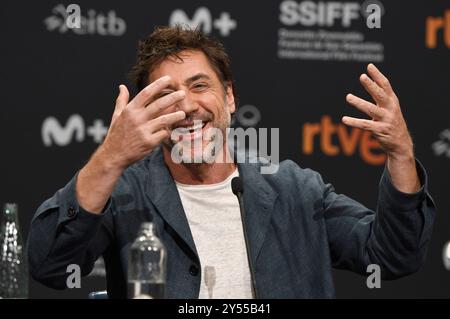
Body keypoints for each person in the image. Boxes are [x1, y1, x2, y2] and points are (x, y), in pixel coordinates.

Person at [28, 26, 436, 299]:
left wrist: (400, 153)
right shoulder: (125, 194)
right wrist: (110, 159)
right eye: (166, 95)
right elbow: (49, 265)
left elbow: (392, 256)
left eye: (199, 85)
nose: (187, 106)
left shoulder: (293, 189)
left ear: (229, 97)